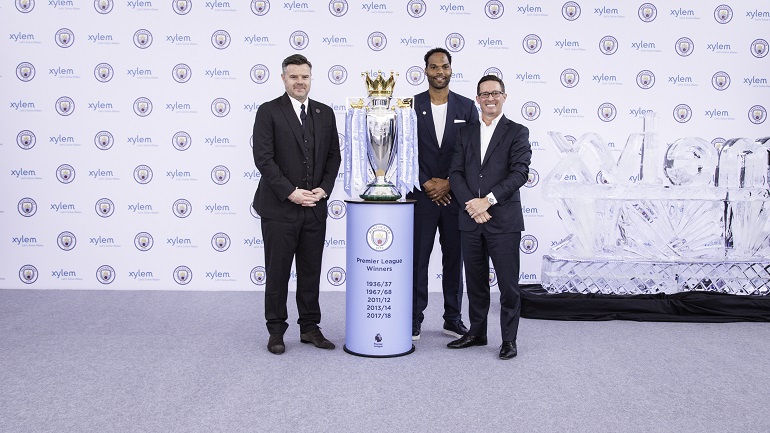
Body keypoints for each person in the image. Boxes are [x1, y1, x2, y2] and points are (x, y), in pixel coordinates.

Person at [252, 54, 342, 355]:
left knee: (310, 271)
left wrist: (323, 190)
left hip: (315, 208)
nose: (299, 81)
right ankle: (276, 331)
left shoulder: (324, 113)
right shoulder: (268, 112)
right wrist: (291, 192)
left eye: (304, 76)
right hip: (280, 208)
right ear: (283, 79)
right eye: (293, 77)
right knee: (277, 272)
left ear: (310, 78)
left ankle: (309, 327)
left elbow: (333, 158)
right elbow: (263, 159)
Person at [447, 75, 532, 360]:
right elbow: (455, 173)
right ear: (477, 99)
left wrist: (488, 201)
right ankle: (477, 332)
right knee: (475, 281)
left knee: (508, 285)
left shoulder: (518, 132)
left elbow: (520, 172)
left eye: (495, 93)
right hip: (470, 218)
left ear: (504, 97)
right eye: (484, 94)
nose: (490, 98)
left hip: (503, 220)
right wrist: (472, 205)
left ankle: (509, 340)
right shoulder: (464, 133)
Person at [408, 48, 478, 341]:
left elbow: (474, 153)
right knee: (417, 260)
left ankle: (453, 318)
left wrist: (449, 183)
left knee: (454, 259)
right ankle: (413, 318)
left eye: (445, 66)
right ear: (425, 70)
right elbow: (404, 151)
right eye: (434, 67)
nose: (440, 71)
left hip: (455, 197)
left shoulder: (466, 107)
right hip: (421, 196)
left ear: (451, 69)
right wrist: (426, 183)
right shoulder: (410, 105)